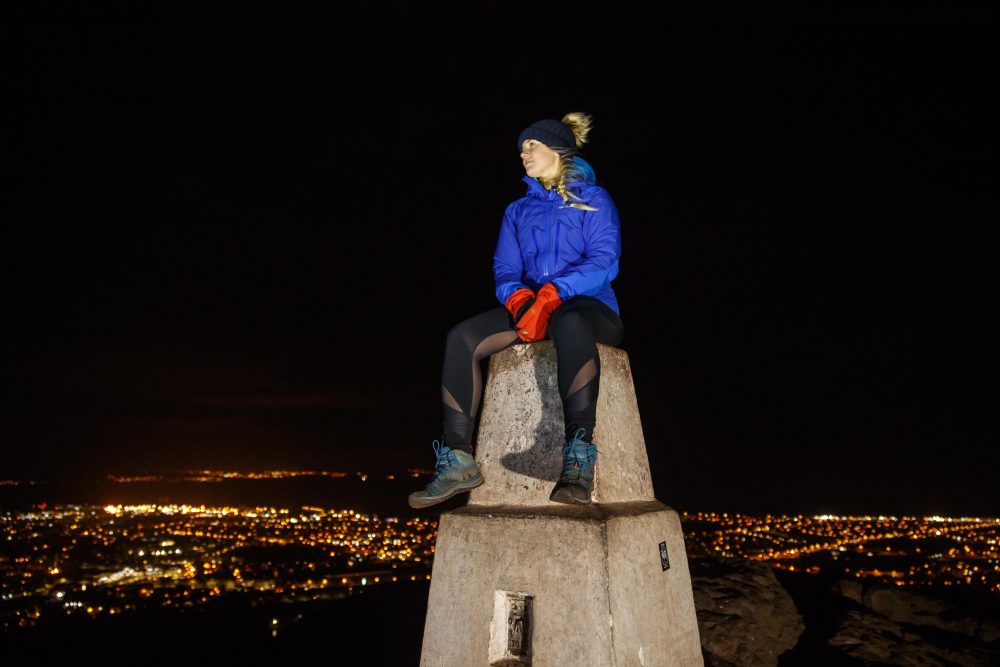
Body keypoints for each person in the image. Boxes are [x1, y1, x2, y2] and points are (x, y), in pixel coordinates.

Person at [408, 112, 625, 509]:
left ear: (557, 150)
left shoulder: (594, 200)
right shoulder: (517, 211)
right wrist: (520, 300)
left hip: (590, 309)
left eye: (532, 145)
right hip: (533, 309)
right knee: (462, 337)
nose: (523, 153)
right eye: (521, 148)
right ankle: (457, 459)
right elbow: (505, 269)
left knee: (571, 322)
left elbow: (605, 261)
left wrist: (554, 293)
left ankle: (578, 459)